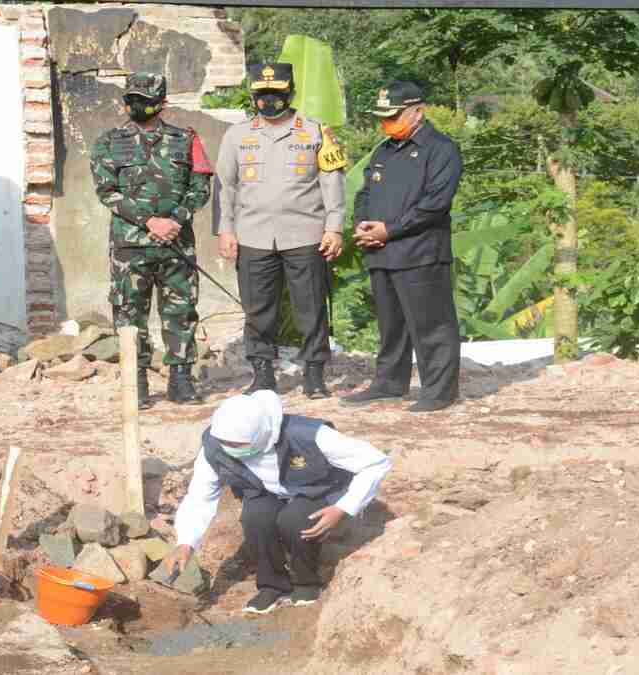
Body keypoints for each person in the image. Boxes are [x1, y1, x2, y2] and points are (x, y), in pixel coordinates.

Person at [166, 390, 392, 614]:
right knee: (255, 519)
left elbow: (375, 462)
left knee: (295, 520)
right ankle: (272, 585)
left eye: (238, 444)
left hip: (317, 489)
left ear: (264, 433)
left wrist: (344, 507)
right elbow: (200, 495)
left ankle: (307, 581)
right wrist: (186, 541)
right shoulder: (215, 445)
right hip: (264, 491)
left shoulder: (308, 435)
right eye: (226, 443)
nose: (231, 450)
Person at [215, 62, 348, 398]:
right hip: (253, 235)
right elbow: (225, 187)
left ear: (290, 93)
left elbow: (332, 183)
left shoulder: (317, 132)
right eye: (262, 94)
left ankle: (314, 374)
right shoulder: (237, 135)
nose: (268, 100)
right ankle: (262, 373)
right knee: (257, 309)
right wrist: (225, 230)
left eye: (275, 94)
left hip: (305, 234)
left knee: (311, 306)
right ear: (254, 96)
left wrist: (335, 227)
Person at [89, 72, 213, 406]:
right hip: (130, 246)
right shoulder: (108, 141)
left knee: (181, 311)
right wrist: (148, 221)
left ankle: (181, 380)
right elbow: (106, 191)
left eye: (144, 101)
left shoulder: (187, 139)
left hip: (176, 243)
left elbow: (200, 187)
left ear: (162, 103)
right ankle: (137, 381)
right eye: (131, 99)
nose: (136, 105)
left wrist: (174, 220)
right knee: (130, 314)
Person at [341, 82, 463, 414]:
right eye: (384, 118)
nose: (387, 123)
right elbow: (364, 193)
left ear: (418, 111)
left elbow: (434, 204)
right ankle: (389, 382)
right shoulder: (384, 149)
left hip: (420, 252)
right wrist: (363, 223)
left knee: (431, 324)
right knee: (390, 324)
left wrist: (390, 230)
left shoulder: (441, 149)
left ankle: (439, 391)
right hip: (382, 252)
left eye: (393, 116)